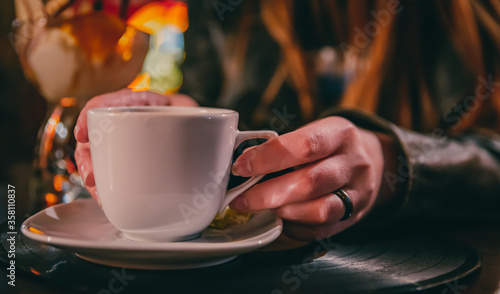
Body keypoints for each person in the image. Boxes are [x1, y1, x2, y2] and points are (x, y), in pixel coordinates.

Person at [74, 0, 500, 241]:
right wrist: (168, 120)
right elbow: (214, 108)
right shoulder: (222, 12)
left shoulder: (454, 14)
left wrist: (392, 163)